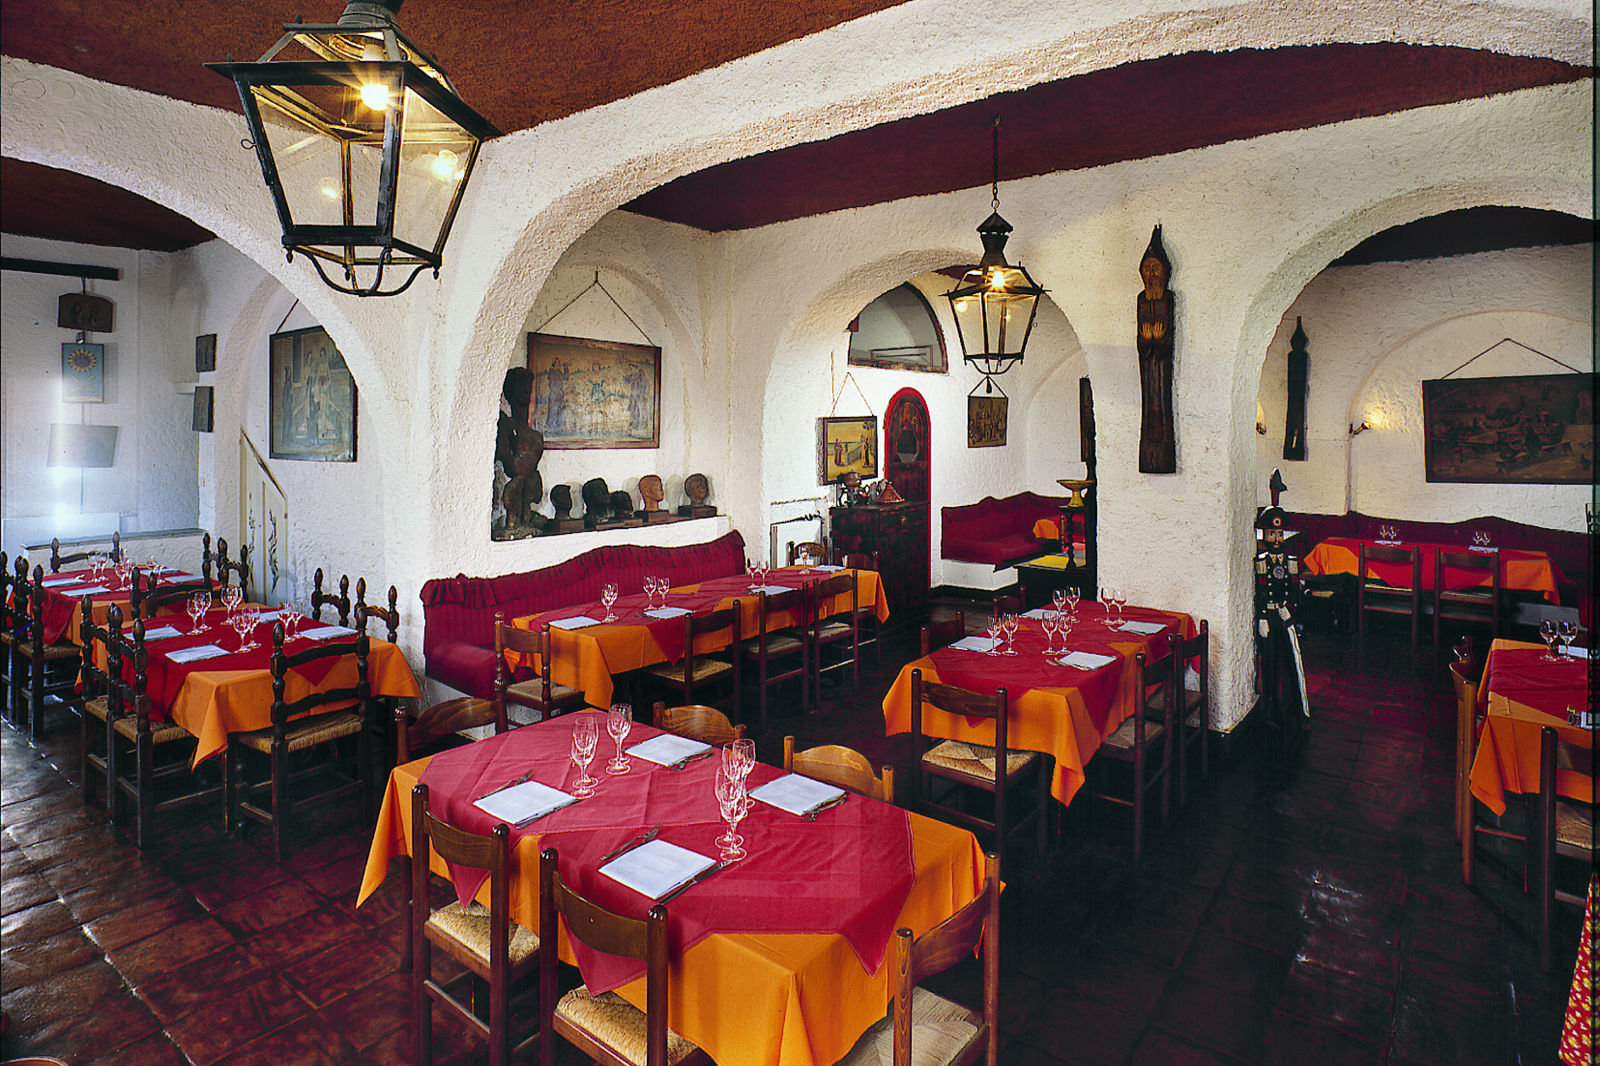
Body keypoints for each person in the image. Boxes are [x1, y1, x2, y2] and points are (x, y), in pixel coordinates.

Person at [1136, 225, 1175, 472]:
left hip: (1161, 363)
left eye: (1155, 268)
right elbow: (1140, 344)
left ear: (1164, 271)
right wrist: (1146, 339)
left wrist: (1160, 339)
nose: (1151, 274)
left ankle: (1162, 448)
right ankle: (1148, 448)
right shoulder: (1141, 299)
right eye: (1147, 268)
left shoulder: (1167, 298)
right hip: (1147, 364)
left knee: (1161, 398)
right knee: (1148, 401)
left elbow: (1167, 342)